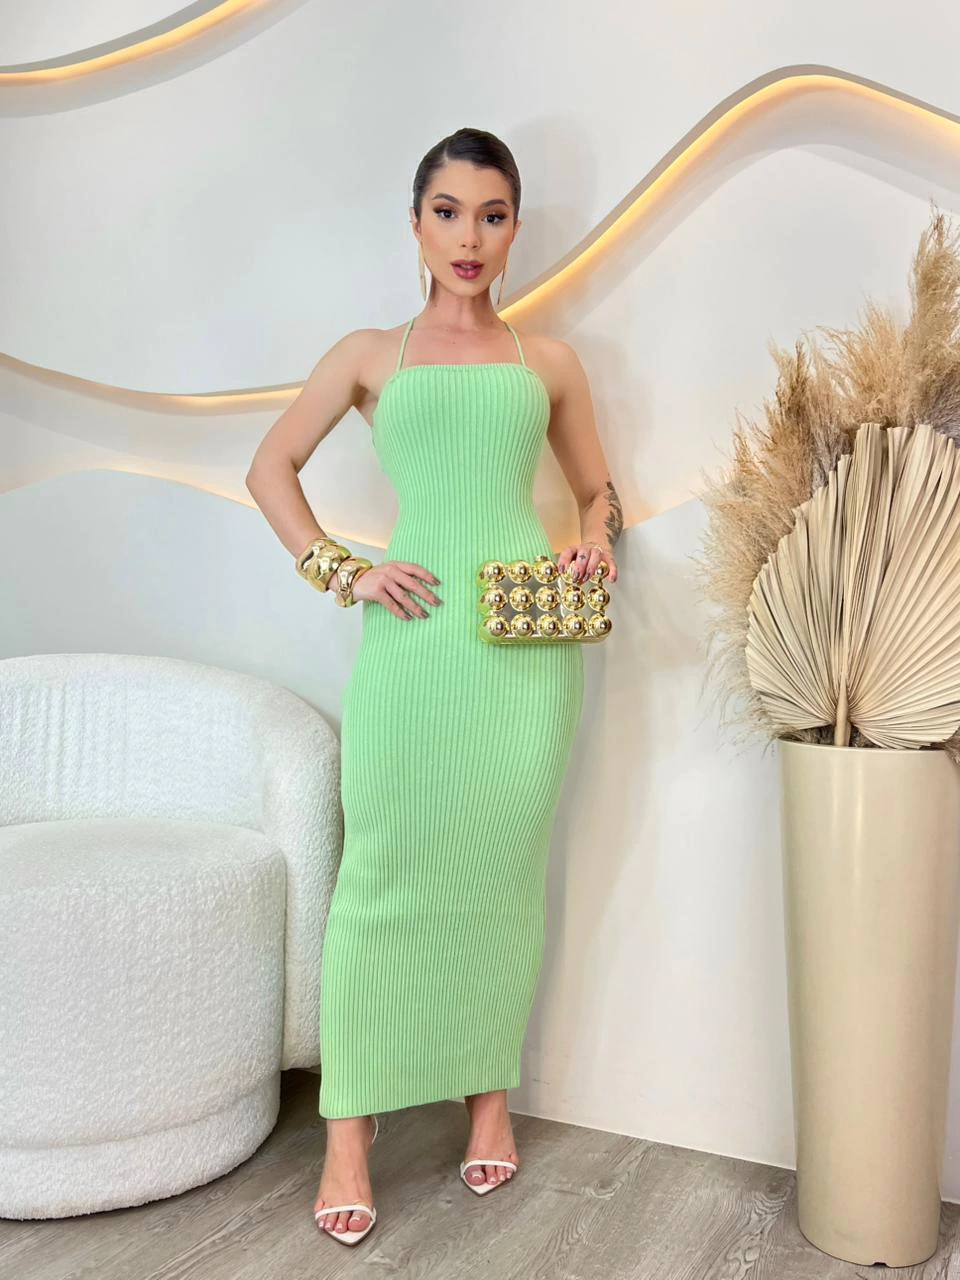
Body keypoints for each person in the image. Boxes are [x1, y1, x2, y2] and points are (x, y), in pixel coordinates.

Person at [245, 126, 622, 1247]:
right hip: (412, 649)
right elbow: (270, 467)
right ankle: (348, 1131)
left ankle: (487, 1099)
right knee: (380, 877)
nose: (470, 235)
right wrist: (344, 570)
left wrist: (596, 539)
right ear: (415, 223)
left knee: (502, 878)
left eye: (492, 215)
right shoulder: (370, 354)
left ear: (514, 230)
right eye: (448, 211)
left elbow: (598, 491)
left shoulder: (549, 362)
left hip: (523, 658)